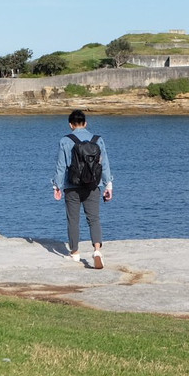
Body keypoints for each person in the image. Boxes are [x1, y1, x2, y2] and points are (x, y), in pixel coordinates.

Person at [52, 109, 112, 268]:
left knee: (73, 220)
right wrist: (108, 185)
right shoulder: (98, 140)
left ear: (70, 125)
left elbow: (61, 166)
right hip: (93, 185)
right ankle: (97, 250)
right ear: (85, 123)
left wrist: (57, 186)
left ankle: (75, 253)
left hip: (72, 186)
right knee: (94, 218)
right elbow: (104, 164)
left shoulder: (65, 140)